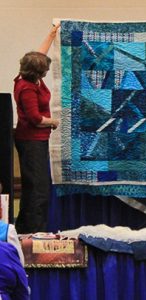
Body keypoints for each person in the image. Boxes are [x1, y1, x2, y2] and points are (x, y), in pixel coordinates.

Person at [14, 24, 60, 234]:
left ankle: (24, 229)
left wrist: (52, 32)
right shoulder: (27, 88)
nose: (47, 72)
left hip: (36, 141)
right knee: (38, 190)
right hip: (31, 141)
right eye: (45, 70)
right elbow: (34, 119)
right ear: (37, 72)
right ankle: (34, 233)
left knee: (35, 186)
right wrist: (53, 121)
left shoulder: (28, 76)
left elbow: (39, 54)